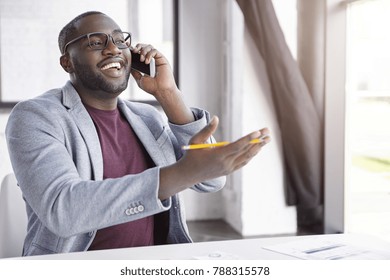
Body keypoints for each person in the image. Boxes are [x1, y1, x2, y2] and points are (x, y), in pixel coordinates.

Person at [5, 11, 270, 257]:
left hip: (152, 265)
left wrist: (168, 94)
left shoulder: (147, 118)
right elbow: (63, 211)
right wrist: (183, 172)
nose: (112, 49)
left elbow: (210, 182)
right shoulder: (35, 117)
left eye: (120, 41)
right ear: (67, 62)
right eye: (95, 43)